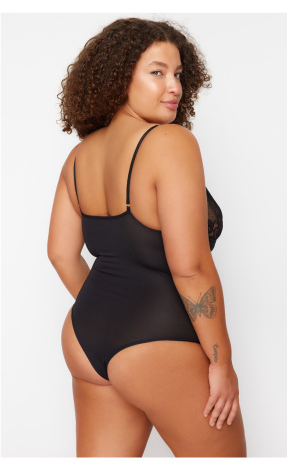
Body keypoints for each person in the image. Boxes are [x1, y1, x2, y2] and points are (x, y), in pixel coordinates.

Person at [47, 17, 247, 457]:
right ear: (119, 78)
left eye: (178, 74)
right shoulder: (171, 143)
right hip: (156, 338)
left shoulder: (79, 156)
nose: (174, 86)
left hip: (84, 336)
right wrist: (222, 361)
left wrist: (113, 313)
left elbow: (60, 254)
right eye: (157, 72)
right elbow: (190, 268)